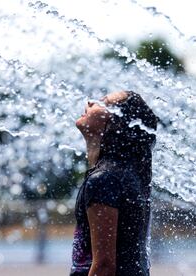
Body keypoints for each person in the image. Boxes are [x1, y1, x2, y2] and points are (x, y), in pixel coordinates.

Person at [70, 90, 158, 276]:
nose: (90, 102)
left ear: (117, 124)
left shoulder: (104, 180)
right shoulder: (125, 177)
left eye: (104, 102)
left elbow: (104, 267)